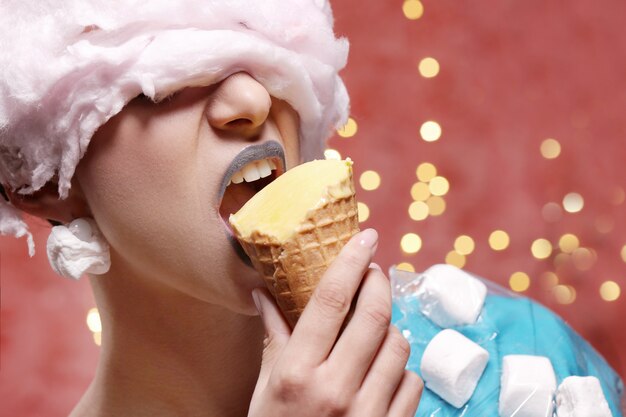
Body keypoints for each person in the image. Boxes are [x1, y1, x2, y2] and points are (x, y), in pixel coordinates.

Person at [0, 0, 423, 416]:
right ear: (48, 181)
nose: (253, 98)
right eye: (166, 83)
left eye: (266, 54)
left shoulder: (477, 356)